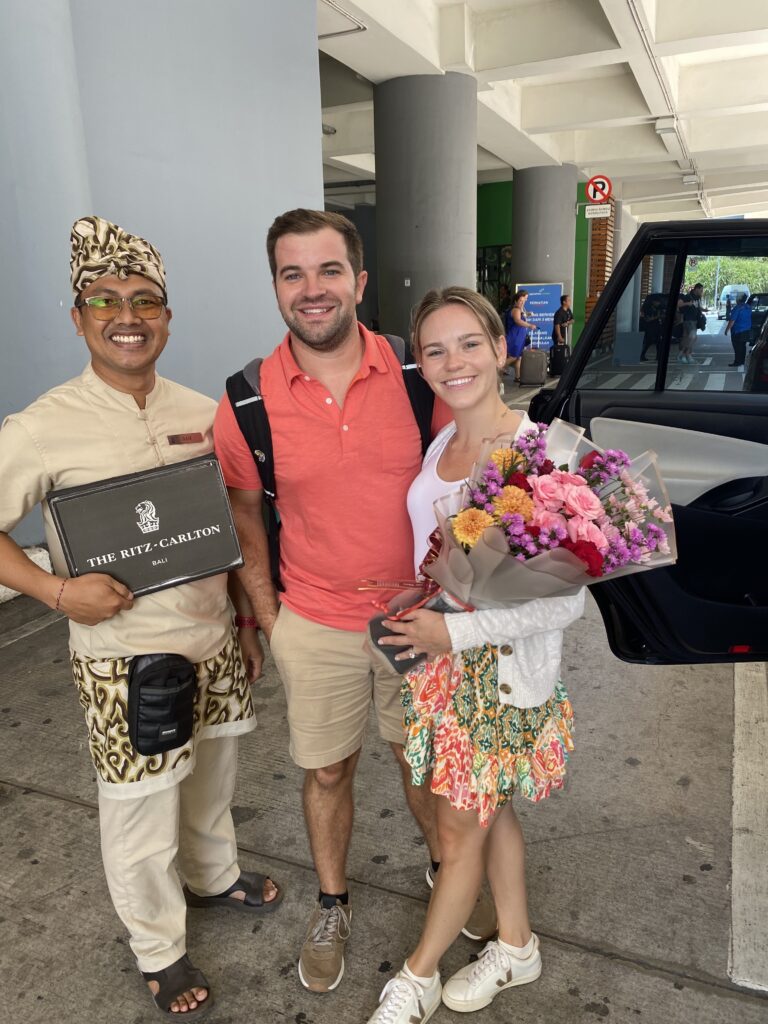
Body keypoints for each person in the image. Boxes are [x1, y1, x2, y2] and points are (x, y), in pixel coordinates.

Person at [0, 216, 282, 1020]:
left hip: (215, 640)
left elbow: (227, 525)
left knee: (215, 781)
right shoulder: (41, 425)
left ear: (166, 316)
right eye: (106, 301)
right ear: (78, 317)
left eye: (146, 301)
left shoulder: (202, 410)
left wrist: (246, 621)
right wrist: (57, 592)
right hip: (122, 657)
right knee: (139, 813)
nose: (128, 315)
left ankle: (213, 876)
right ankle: (158, 948)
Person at [213, 209, 497, 996]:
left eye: (329, 270)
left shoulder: (416, 377)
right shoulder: (246, 399)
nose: (313, 289)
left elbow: (469, 473)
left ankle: (450, 869)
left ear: (359, 282)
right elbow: (245, 514)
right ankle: (332, 901)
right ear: (275, 286)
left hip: (420, 624)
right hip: (315, 620)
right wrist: (271, 619)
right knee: (328, 773)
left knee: (425, 767)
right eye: (293, 273)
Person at [364, 286, 585, 1023]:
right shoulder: (442, 445)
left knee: (460, 826)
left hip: (499, 676)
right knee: (488, 815)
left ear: (501, 348)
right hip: (440, 667)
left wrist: (452, 632)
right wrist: (421, 605)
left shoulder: (544, 451)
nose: (452, 361)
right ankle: (517, 946)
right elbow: (446, 559)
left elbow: (566, 600)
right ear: (420, 365)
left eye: (467, 343)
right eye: (434, 349)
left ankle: (416, 977)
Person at [503, 290, 535, 382]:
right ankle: (496, 370)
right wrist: (529, 325)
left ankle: (518, 377)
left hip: (519, 336)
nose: (523, 302)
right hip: (515, 337)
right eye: (521, 300)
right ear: (516, 301)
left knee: (518, 357)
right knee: (513, 356)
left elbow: (521, 317)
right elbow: (517, 320)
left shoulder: (519, 309)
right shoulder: (516, 309)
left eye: (524, 300)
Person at [677, 282, 704, 364]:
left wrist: (703, 310)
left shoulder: (697, 297)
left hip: (694, 320)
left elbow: (697, 307)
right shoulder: (688, 296)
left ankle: (686, 355)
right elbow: (679, 304)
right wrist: (688, 303)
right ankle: (684, 354)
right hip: (689, 320)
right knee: (692, 337)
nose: (702, 292)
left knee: (688, 338)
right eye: (701, 290)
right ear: (696, 289)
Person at [726, 292, 751, 370]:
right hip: (746, 330)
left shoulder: (737, 308)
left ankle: (737, 362)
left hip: (738, 331)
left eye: (737, 297)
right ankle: (742, 361)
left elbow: (732, 320)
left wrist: (727, 329)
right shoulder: (748, 307)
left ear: (739, 299)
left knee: (737, 347)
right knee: (743, 346)